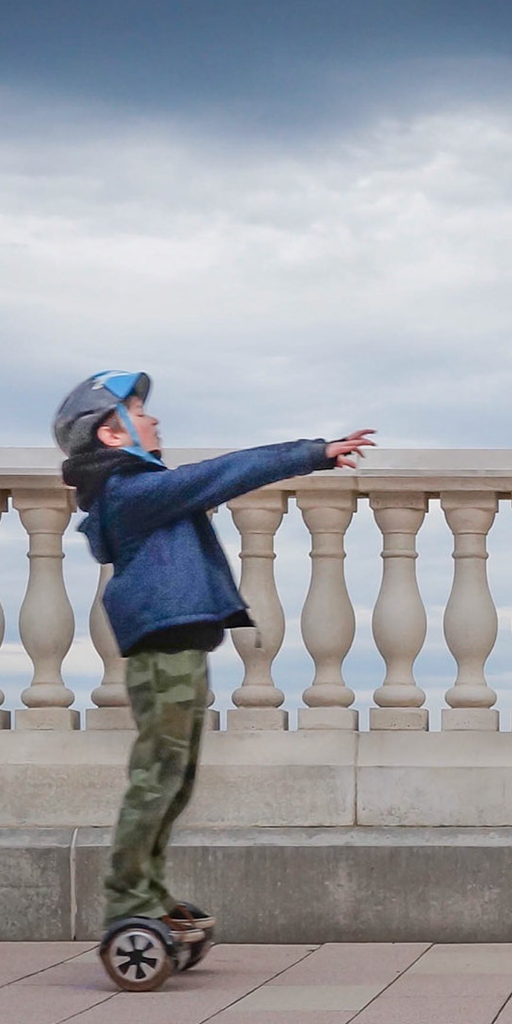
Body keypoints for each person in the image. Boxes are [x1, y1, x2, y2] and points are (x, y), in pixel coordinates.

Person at [52, 370, 374, 953]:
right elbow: (222, 474)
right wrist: (313, 453)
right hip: (164, 653)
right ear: (112, 436)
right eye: (138, 412)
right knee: (157, 780)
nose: (153, 419)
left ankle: (147, 892)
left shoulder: (133, 493)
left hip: (178, 649)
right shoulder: (131, 495)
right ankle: (128, 898)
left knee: (174, 781)